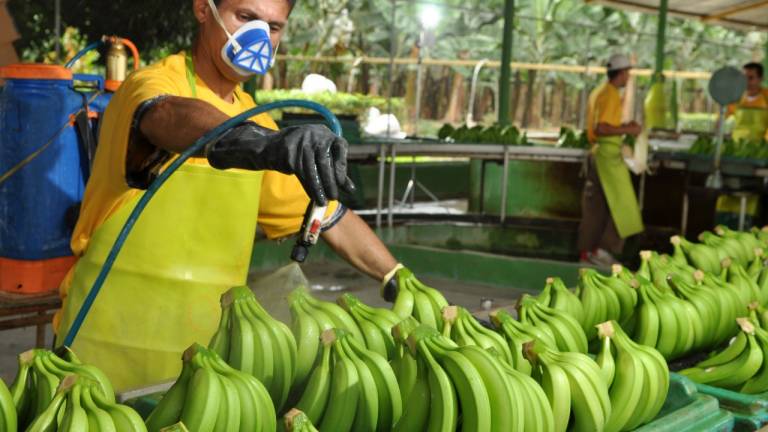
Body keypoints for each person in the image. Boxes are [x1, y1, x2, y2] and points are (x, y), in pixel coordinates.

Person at [54, 0, 415, 391]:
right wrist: (268, 145)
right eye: (245, 17)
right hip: (104, 348)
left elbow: (327, 216)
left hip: (199, 361)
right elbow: (167, 117)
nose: (259, 36)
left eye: (273, 27)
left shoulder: (257, 120)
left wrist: (394, 276)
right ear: (202, 9)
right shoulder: (155, 85)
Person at [578, 54, 644, 267]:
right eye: (628, 73)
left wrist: (623, 125)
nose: (628, 77)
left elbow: (602, 124)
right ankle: (605, 250)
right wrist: (629, 129)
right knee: (624, 205)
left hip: (598, 154)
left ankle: (587, 253)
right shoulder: (612, 94)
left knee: (595, 208)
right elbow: (602, 128)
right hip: (608, 156)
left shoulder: (600, 91)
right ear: (622, 73)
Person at [727, 62, 768, 142]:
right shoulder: (735, 97)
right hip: (737, 146)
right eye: (744, 78)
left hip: (761, 148)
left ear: (761, 79)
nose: (746, 82)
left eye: (751, 78)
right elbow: (720, 120)